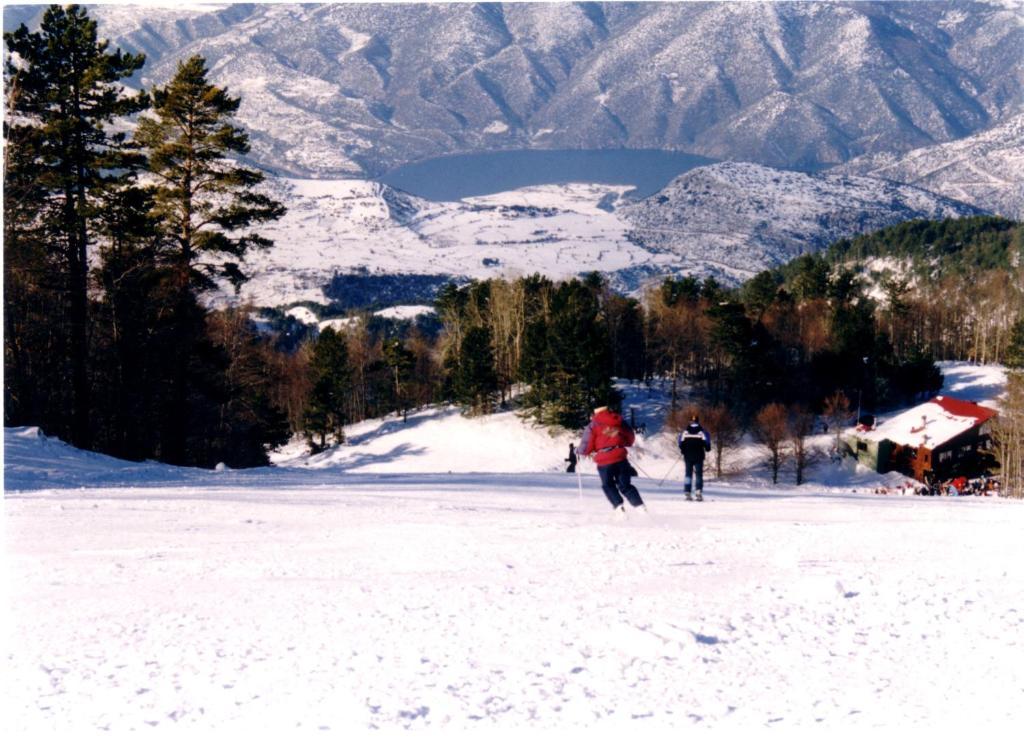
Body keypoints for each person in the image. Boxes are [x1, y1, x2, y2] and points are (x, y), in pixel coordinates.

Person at [579, 406, 646, 517]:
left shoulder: (593, 425)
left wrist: (579, 450)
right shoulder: (619, 420)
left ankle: (619, 508)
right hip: (620, 456)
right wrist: (622, 443)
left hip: (604, 460)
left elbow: (586, 446)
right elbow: (630, 436)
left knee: (608, 485)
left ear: (595, 413)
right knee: (625, 485)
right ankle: (640, 507)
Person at [677, 414, 711, 501]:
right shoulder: (703, 432)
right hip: (699, 456)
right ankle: (698, 492)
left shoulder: (685, 432)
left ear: (690, 422)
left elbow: (680, 443)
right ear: (698, 421)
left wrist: (683, 450)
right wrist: (707, 448)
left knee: (688, 474)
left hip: (688, 456)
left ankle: (687, 492)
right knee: (699, 474)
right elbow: (707, 444)